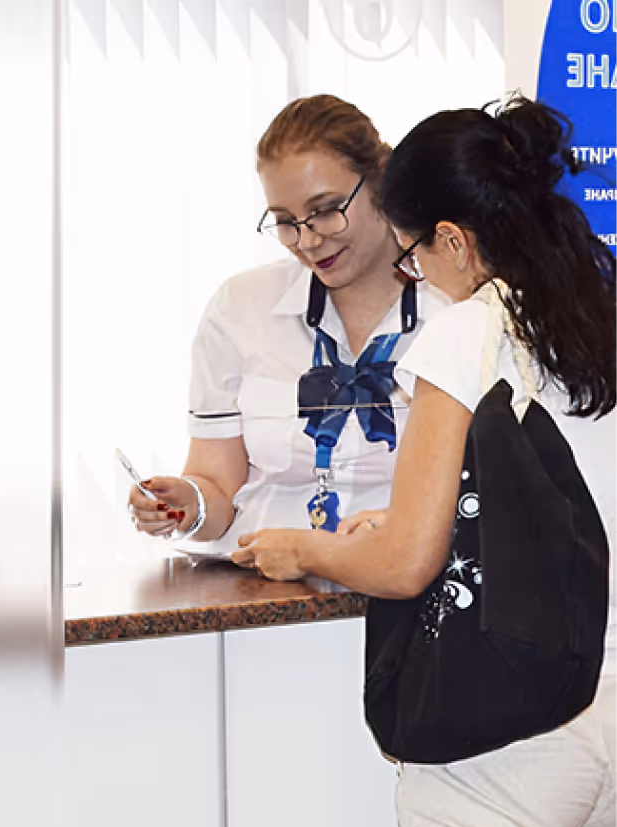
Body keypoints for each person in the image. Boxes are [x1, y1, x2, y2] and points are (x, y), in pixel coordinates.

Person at [233, 95, 617, 827]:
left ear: (451, 238)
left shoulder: (461, 332)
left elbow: (404, 563)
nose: (412, 275)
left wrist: (300, 548)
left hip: (514, 739)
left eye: (410, 255)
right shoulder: (594, 312)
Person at [128, 95, 447, 555]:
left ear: (380, 176)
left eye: (326, 209)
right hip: (269, 598)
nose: (308, 239)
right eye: (285, 221)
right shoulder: (240, 308)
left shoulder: (454, 306)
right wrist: (187, 504)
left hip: (411, 594)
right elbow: (217, 488)